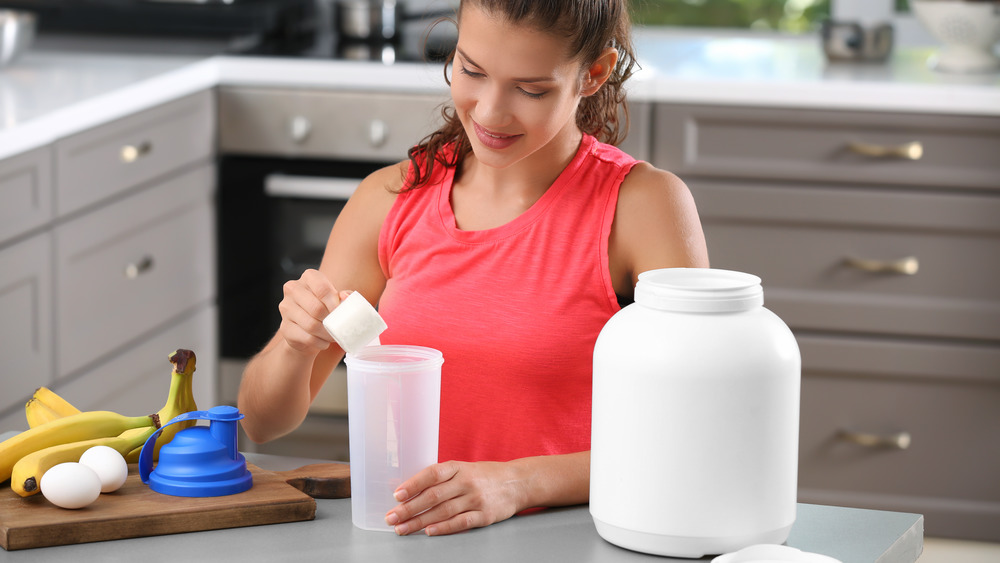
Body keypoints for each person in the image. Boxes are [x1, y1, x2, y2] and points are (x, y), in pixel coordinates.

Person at [237, 0, 709, 537]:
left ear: (592, 74)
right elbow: (262, 422)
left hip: (577, 541)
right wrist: (296, 346)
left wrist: (516, 482)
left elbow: (690, 436)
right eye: (471, 70)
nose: (488, 112)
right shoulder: (390, 199)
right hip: (414, 542)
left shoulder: (642, 207)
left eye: (530, 89)